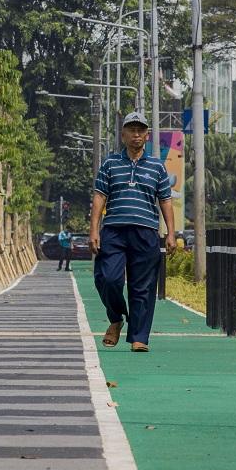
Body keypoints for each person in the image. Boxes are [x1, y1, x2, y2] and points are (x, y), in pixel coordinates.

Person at [89, 112, 176, 353]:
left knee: (143, 287)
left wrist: (171, 233)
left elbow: (165, 200)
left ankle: (139, 337)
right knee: (108, 278)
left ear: (147, 135)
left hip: (146, 232)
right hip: (114, 231)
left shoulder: (157, 167)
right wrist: (94, 230)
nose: (136, 134)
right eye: (132, 130)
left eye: (141, 130)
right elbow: (99, 197)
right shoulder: (110, 164)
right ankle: (116, 318)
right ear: (124, 134)